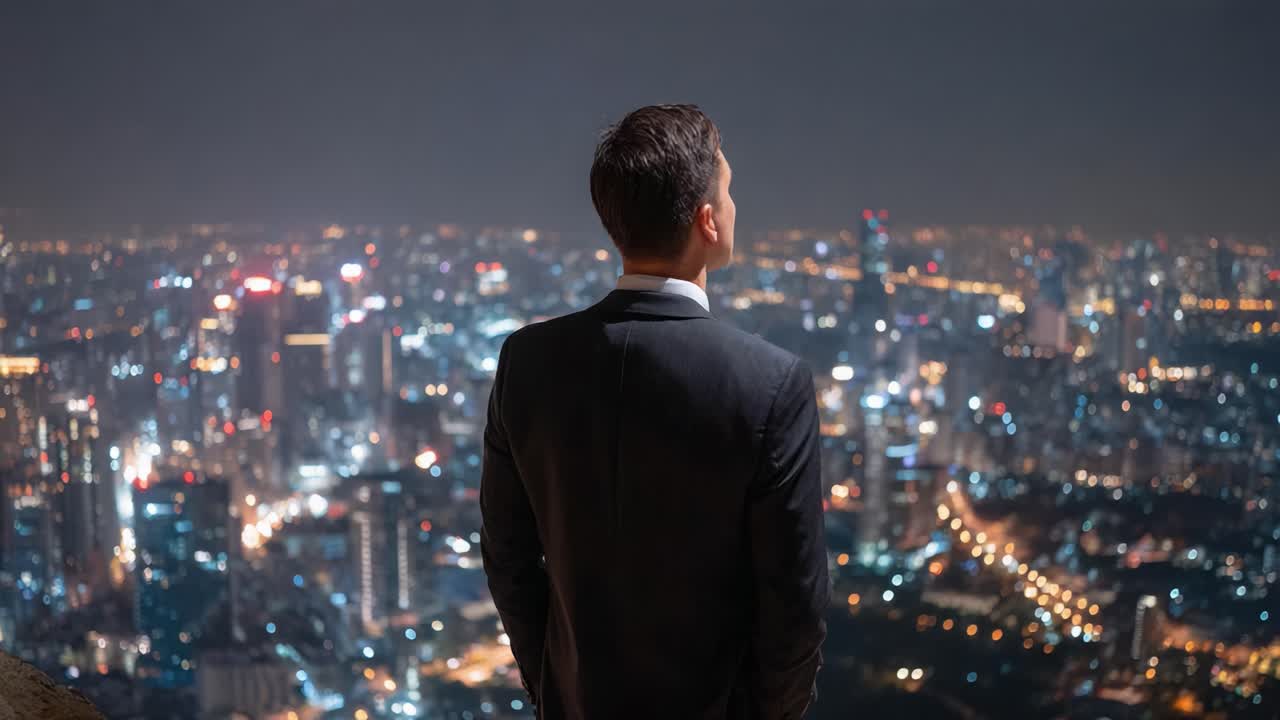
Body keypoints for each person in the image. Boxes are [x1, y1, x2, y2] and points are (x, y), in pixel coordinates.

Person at [481, 104, 829, 719]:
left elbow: (509, 559)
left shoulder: (528, 362)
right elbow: (794, 609)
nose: (733, 206)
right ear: (707, 221)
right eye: (727, 191)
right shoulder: (769, 384)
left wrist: (555, 692)